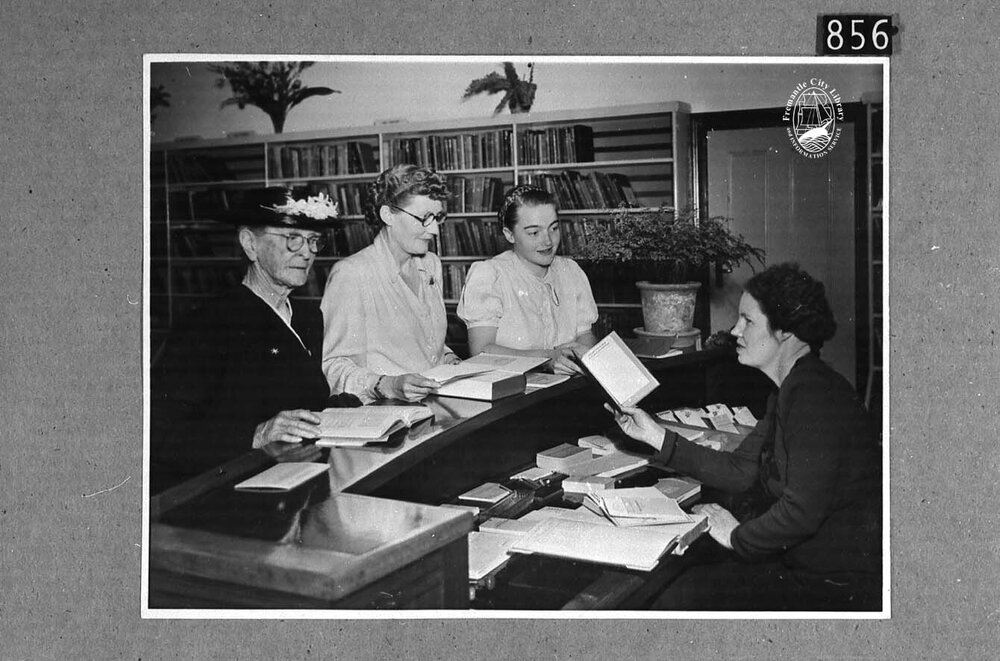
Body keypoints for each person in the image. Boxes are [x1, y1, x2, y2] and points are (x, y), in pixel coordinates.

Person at [609, 263, 882, 611]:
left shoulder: (813, 397)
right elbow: (740, 470)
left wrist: (736, 536)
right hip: (810, 566)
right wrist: (654, 435)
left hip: (833, 583)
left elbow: (801, 513)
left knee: (677, 596)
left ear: (785, 331)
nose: (735, 330)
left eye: (748, 321)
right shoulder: (791, 389)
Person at [150, 187, 357, 493]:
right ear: (250, 244)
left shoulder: (308, 317)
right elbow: (159, 434)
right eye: (293, 238)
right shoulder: (209, 324)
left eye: (314, 240)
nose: (307, 252)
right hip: (226, 494)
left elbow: (304, 402)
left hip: (299, 483)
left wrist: (351, 407)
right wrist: (256, 433)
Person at [321, 164, 461, 403]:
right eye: (424, 218)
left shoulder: (431, 264)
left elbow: (424, 345)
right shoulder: (352, 273)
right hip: (383, 411)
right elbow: (333, 367)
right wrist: (386, 385)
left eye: (437, 218)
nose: (435, 230)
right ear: (388, 215)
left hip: (433, 404)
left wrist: (450, 360)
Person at [457, 185, 598, 374]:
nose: (548, 241)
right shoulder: (490, 274)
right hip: (511, 387)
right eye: (534, 233)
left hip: (568, 386)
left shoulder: (570, 271)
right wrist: (547, 358)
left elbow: (585, 334)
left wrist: (583, 355)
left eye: (554, 228)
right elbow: (481, 351)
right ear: (509, 234)